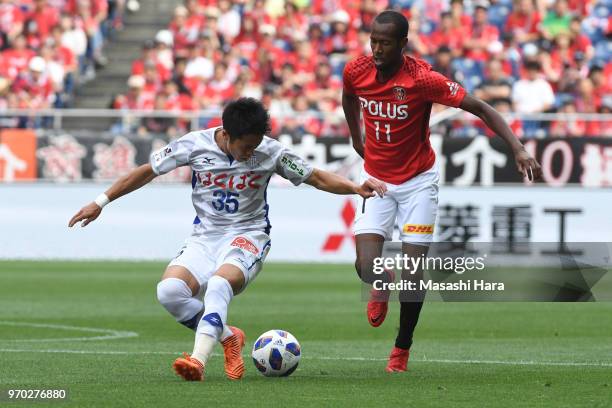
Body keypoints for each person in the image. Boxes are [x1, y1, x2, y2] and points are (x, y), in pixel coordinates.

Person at [68, 97, 386, 381]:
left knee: (220, 285)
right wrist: (100, 202)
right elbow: (146, 171)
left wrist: (354, 187)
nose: (252, 152)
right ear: (226, 134)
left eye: (256, 144)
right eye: (246, 146)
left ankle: (198, 360)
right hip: (205, 237)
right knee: (169, 292)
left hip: (249, 235)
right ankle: (229, 337)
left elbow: (315, 176)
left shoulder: (271, 152)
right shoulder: (193, 145)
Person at [342, 10, 541, 373]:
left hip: (419, 181)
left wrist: (517, 147)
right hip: (377, 179)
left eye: (385, 43)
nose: (377, 49)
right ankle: (379, 282)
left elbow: (480, 107)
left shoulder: (422, 80)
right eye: (373, 41)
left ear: (403, 44)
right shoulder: (356, 70)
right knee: (366, 265)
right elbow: (348, 98)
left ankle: (401, 349)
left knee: (413, 271)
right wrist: (359, 142)